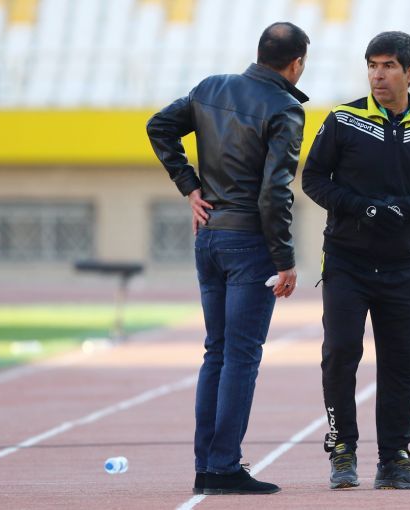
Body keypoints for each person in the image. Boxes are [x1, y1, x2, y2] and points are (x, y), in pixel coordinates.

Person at [146, 22, 309, 495]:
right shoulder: (285, 108)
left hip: (209, 236)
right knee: (240, 356)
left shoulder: (211, 87)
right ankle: (222, 466)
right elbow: (274, 193)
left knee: (216, 353)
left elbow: (158, 126)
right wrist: (285, 258)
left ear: (260, 53)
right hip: (249, 244)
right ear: (297, 63)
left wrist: (190, 186)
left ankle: (208, 465)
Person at [302, 31, 410, 490]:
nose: (378, 74)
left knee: (401, 366)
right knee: (340, 356)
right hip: (347, 264)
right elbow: (313, 179)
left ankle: (394, 460)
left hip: (404, 268)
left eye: (388, 65)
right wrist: (363, 208)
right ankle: (342, 450)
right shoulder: (344, 119)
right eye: (372, 65)